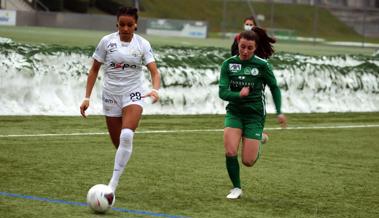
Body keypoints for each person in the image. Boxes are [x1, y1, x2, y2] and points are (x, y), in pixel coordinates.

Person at [80, 6, 160, 194]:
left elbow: (154, 72)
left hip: (133, 94)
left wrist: (155, 90)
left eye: (129, 25)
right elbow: (94, 70)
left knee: (126, 136)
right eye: (122, 25)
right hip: (110, 96)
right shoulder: (106, 42)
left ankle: (111, 187)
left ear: (136, 25)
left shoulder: (142, 44)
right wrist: (86, 98)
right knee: (120, 145)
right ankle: (120, 164)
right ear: (117, 24)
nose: (125, 28)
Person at [219, 28, 287, 199]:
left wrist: (279, 112)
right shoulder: (228, 64)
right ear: (238, 44)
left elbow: (274, 88)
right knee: (230, 152)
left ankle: (260, 139)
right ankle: (236, 188)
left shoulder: (262, 65)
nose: (245, 51)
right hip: (234, 112)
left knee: (248, 161)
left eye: (250, 48)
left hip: (254, 115)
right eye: (242, 47)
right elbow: (222, 93)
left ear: (255, 48)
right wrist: (238, 94)